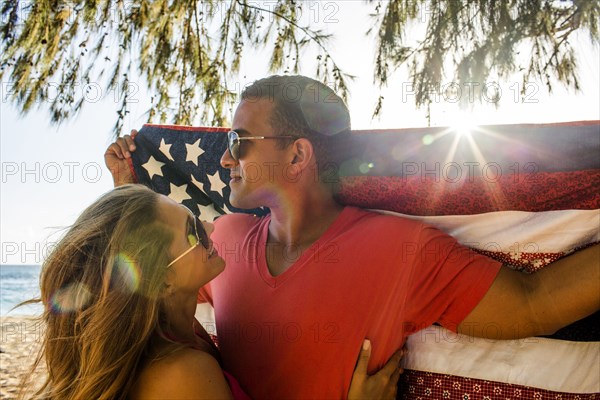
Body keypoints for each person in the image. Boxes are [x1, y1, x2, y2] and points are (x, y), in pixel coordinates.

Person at [105, 75, 600, 399]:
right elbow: (154, 275)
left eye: (240, 141)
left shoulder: (400, 251)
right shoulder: (221, 244)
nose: (226, 159)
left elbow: (535, 304)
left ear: (298, 157)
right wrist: (128, 192)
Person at [20, 184, 405, 399]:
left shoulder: (178, 329)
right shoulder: (180, 374)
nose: (209, 225)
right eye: (191, 228)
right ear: (161, 280)